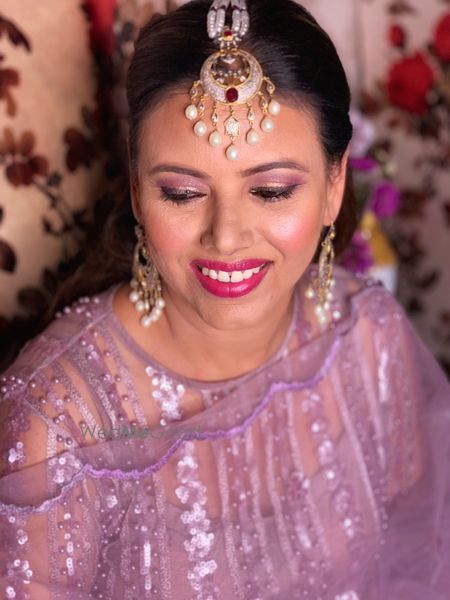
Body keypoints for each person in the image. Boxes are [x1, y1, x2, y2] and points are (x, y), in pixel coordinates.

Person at [1, 0, 449, 598]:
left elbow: (413, 556)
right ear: (137, 193)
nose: (227, 237)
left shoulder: (366, 335)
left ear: (334, 186)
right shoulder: (56, 428)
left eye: (271, 190)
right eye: (183, 193)